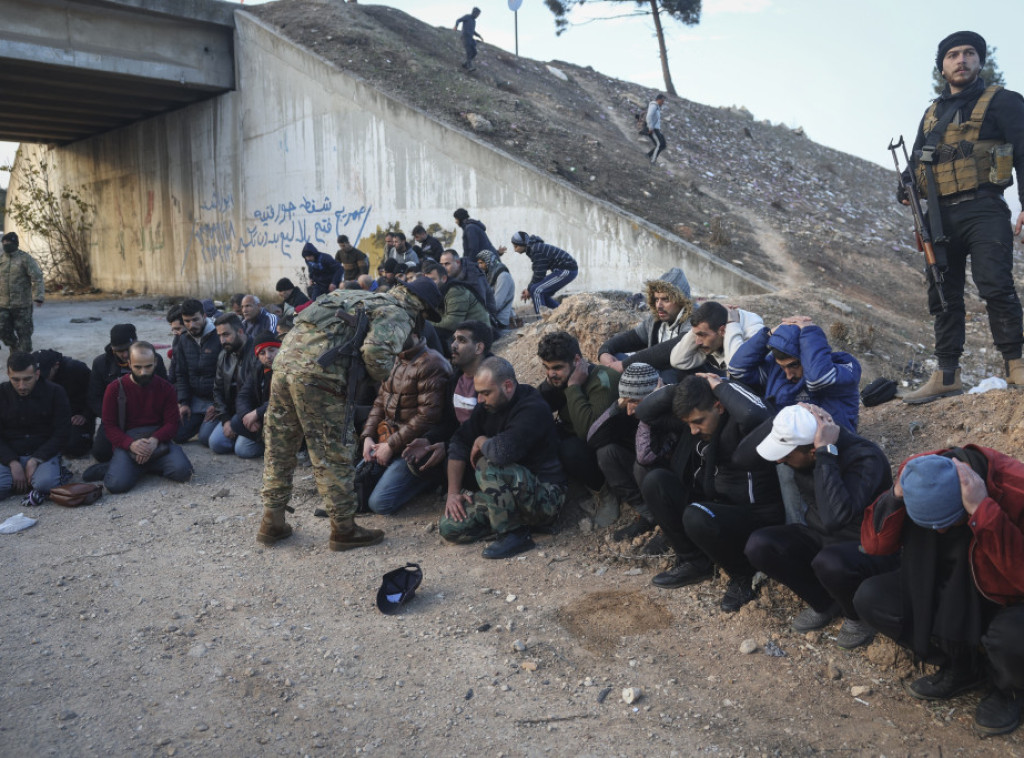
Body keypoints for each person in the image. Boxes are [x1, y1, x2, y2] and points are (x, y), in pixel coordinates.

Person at [255, 278, 444, 551]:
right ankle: (344, 529)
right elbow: (376, 353)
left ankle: (272, 522)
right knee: (332, 451)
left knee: (279, 447)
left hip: (284, 368)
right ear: (422, 308)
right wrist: (382, 381)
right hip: (319, 377)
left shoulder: (352, 295)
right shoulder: (399, 312)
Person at [855, 448, 1024, 736]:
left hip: (1007, 596)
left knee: (1011, 638)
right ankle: (962, 667)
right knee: (871, 598)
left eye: (950, 523)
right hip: (950, 583)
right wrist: (894, 498)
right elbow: (874, 546)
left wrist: (984, 511)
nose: (941, 533)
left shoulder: (1014, 487)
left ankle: (1010, 689)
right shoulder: (917, 477)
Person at [900, 32, 1024, 403]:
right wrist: (904, 188)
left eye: (970, 53)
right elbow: (917, 163)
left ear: (980, 62)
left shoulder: (1004, 102)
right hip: (940, 217)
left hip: (985, 207)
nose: (962, 60)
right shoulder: (932, 113)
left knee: (995, 284)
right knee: (942, 292)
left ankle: (1016, 364)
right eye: (953, 55)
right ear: (943, 66)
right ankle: (947, 374)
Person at [743, 404, 896, 647]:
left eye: (787, 453)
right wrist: (790, 414)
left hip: (864, 546)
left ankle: (856, 617)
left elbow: (834, 519)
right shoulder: (803, 457)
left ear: (813, 451)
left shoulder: (866, 458)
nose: (780, 460)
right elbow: (744, 458)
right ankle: (825, 603)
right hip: (822, 537)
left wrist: (827, 454)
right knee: (760, 545)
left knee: (829, 561)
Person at [641, 375, 782, 611]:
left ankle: (742, 576)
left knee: (697, 515)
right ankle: (695, 562)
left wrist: (718, 385)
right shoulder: (696, 424)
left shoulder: (740, 425)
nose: (693, 430)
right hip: (714, 505)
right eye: (689, 424)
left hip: (752, 516)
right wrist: (686, 387)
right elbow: (645, 412)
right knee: (656, 481)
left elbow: (756, 415)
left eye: (698, 421)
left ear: (719, 406)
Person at [439, 356, 566, 558]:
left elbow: (501, 454)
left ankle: (514, 534)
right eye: (478, 393)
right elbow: (459, 442)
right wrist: (453, 493)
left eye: (485, 393)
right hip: (507, 495)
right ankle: (514, 522)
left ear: (507, 386)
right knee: (450, 527)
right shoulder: (487, 407)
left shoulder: (532, 407)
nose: (480, 400)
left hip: (544, 496)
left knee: (487, 465)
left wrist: (481, 441)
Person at [360, 325, 452, 515]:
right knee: (355, 488)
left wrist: (391, 446)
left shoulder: (432, 364)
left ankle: (425, 480)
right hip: (389, 438)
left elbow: (427, 417)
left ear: (415, 334)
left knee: (379, 504)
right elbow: (379, 401)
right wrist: (368, 436)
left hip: (415, 447)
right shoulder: (395, 358)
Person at [537, 330, 620, 527]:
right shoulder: (558, 378)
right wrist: (550, 386)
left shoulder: (602, 379)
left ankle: (605, 495)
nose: (551, 374)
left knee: (571, 450)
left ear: (576, 360)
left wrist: (574, 387)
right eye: (547, 368)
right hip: (575, 435)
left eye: (557, 367)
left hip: (603, 446)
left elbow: (588, 432)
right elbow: (536, 407)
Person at [401, 320, 493, 495]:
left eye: (462, 340)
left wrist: (449, 446)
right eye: (454, 340)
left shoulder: (493, 380)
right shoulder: (455, 380)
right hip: (458, 446)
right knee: (420, 459)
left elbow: (489, 428)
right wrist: (428, 440)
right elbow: (448, 421)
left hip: (483, 449)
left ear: (479, 348)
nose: (453, 345)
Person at [728, 315, 862, 432]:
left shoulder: (842, 365)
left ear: (807, 354)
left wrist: (810, 332)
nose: (788, 375)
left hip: (831, 447)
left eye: (794, 365)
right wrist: (768, 335)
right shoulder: (776, 369)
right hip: (786, 444)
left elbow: (818, 379)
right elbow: (737, 370)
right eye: (783, 367)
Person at [101, 342, 193, 494]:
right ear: (129, 364)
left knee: (184, 473)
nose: (143, 372)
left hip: (157, 440)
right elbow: (109, 426)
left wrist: (154, 441)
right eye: (137, 367)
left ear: (156, 362)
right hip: (128, 441)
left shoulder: (166, 388)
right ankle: (134, 465)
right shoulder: (114, 389)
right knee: (116, 485)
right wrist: (130, 444)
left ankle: (137, 466)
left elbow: (172, 423)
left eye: (148, 366)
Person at [586, 361, 662, 542]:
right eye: (626, 402)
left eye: (634, 402)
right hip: (646, 475)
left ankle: (667, 524)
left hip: (666, 479)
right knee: (606, 453)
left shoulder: (669, 411)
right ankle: (648, 514)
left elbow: (645, 456)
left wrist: (648, 412)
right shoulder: (627, 410)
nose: (629, 411)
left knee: (640, 467)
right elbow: (592, 438)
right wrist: (616, 406)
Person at [89, 323, 169, 462]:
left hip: (148, 417)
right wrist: (110, 417)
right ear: (113, 349)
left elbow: (165, 392)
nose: (125, 355)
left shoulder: (153, 359)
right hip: (114, 418)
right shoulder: (101, 364)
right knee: (101, 453)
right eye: (120, 351)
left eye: (128, 349)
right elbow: (94, 397)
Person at [0, 352, 70, 505]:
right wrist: (12, 462)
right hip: (9, 454)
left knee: (46, 485)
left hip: (43, 452)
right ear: (8, 375)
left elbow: (62, 432)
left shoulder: (55, 392)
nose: (22, 386)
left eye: (27, 379)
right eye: (15, 379)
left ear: (37, 374)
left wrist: (36, 459)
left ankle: (56, 472)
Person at [597, 270, 692, 380]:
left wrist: (624, 365)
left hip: (682, 380)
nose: (659, 306)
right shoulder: (656, 319)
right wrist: (604, 351)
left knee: (668, 375)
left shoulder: (694, 319)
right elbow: (631, 338)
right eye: (656, 299)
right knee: (616, 357)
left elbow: (671, 348)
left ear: (681, 300)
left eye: (665, 299)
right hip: (655, 374)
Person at [173, 298, 222, 444]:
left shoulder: (219, 337)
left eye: (195, 320)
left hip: (215, 401)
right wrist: (184, 402)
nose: (191, 325)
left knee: (205, 439)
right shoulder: (183, 340)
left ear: (204, 316)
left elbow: (227, 376)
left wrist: (218, 404)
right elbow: (180, 373)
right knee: (176, 435)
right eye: (186, 321)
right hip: (195, 400)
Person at [671, 301, 764, 376]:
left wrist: (732, 324)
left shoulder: (754, 332)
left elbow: (736, 369)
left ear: (722, 331)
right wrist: (696, 330)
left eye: (702, 335)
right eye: (697, 335)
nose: (697, 342)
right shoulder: (710, 339)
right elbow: (678, 361)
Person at [226, 331, 280, 459]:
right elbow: (243, 395)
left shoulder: (287, 370)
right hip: (265, 421)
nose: (268, 356)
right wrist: (247, 415)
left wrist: (257, 413)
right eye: (262, 353)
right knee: (237, 428)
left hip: (282, 419)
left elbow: (281, 400)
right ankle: (271, 445)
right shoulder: (258, 370)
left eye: (272, 350)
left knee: (242, 448)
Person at [207, 314, 256, 456]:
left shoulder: (257, 353)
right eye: (219, 336)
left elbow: (256, 396)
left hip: (251, 413)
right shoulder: (224, 355)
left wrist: (236, 421)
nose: (222, 340)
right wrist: (226, 420)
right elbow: (217, 390)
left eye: (226, 335)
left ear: (240, 331)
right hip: (232, 412)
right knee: (215, 443)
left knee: (243, 450)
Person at [34, 349, 93, 458]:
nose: (41, 380)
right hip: (52, 416)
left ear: (56, 365)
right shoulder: (32, 376)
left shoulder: (76, 369)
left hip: (76, 416)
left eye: (45, 375)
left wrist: (85, 415)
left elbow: (95, 394)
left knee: (73, 447)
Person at [424, 262, 491, 347]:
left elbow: (453, 323)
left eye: (433, 279)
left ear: (444, 279)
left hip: (480, 335)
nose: (429, 283)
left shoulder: (455, 291)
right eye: (427, 280)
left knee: (432, 331)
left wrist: (427, 322)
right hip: (466, 330)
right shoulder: (437, 291)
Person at [0, 232, 45, 354]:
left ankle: (24, 360)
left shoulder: (25, 259)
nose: (5, 245)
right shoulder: (1, 259)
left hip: (22, 305)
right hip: (3, 305)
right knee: (3, 330)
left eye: (8, 242)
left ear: (15, 243)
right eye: (4, 243)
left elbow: (37, 277)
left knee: (24, 335)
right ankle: (15, 347)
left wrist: (38, 296)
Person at [511, 231, 578, 314]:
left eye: (516, 246)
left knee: (536, 290)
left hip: (567, 270)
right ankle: (562, 313)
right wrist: (529, 289)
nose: (515, 250)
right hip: (562, 270)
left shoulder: (536, 249)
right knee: (539, 291)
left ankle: (541, 321)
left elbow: (539, 274)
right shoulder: (535, 248)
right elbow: (538, 271)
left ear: (522, 244)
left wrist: (529, 290)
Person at [477, 250, 515, 330]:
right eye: (479, 263)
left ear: (489, 262)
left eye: (481, 263)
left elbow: (496, 304)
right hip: (493, 317)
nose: (479, 266)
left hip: (500, 320)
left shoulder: (503, 276)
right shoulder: (490, 274)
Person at [454, 7, 483, 71]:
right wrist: (456, 26)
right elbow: (458, 20)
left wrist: (479, 36)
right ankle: (469, 67)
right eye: (477, 14)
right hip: (465, 37)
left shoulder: (474, 21)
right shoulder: (467, 17)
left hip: (471, 38)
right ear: (474, 12)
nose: (477, 16)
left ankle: (465, 64)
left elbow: (473, 31)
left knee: (474, 52)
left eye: (478, 15)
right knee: (469, 52)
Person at [646, 94, 667, 164]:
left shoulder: (657, 107)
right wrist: (650, 127)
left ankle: (648, 155)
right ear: (658, 99)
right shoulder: (654, 105)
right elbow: (649, 116)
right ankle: (653, 160)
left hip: (656, 129)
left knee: (663, 144)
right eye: (662, 100)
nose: (663, 102)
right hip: (653, 128)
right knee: (659, 144)